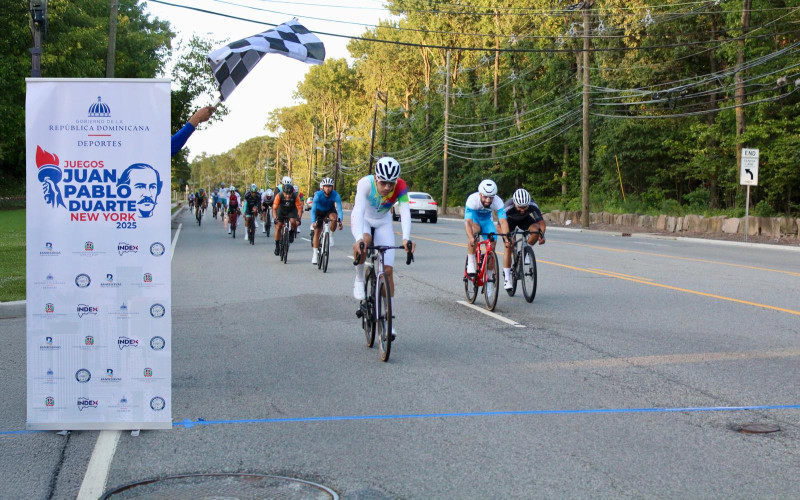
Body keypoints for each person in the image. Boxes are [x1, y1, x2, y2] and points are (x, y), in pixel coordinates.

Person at [351, 157, 415, 338]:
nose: (387, 187)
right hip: (364, 220)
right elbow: (358, 211)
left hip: (383, 222)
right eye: (384, 182)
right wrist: (358, 239)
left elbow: (404, 210)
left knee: (387, 271)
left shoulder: (401, 186)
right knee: (364, 242)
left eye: (391, 183)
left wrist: (406, 238)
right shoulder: (365, 184)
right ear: (376, 178)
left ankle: (387, 320)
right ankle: (359, 279)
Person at [501, 188, 546, 290]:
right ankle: (507, 278)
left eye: (525, 207)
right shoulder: (508, 207)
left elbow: (541, 223)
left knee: (535, 231)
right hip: (509, 222)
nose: (522, 210)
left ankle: (526, 250)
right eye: (520, 207)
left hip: (525, 220)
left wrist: (541, 235)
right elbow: (500, 226)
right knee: (509, 246)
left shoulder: (532, 205)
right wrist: (506, 238)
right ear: (515, 203)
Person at [464, 179, 509, 280]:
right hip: (474, 221)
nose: (488, 200)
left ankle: (489, 277)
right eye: (485, 197)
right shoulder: (472, 199)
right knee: (474, 231)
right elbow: (468, 222)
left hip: (487, 222)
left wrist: (506, 238)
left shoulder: (498, 201)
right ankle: (471, 262)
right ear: (480, 194)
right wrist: (471, 237)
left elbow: (503, 222)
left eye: (491, 197)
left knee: (492, 243)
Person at [310, 177, 343, 265]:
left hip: (329, 210)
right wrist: (313, 221)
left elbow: (339, 209)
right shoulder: (318, 195)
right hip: (319, 211)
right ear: (323, 187)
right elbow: (313, 210)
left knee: (334, 218)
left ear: (332, 187)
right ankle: (314, 254)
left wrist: (340, 221)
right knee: (317, 232)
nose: (328, 188)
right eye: (326, 186)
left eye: (330, 186)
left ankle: (331, 236)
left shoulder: (335, 195)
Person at [272, 177, 304, 256]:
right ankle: (277, 246)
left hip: (291, 210)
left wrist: (298, 219)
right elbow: (274, 209)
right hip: (281, 210)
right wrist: (275, 218)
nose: (287, 196)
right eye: (286, 194)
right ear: (283, 192)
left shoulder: (295, 196)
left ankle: (292, 232)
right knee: (278, 226)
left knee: (293, 221)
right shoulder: (279, 196)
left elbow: (300, 209)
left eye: (289, 194)